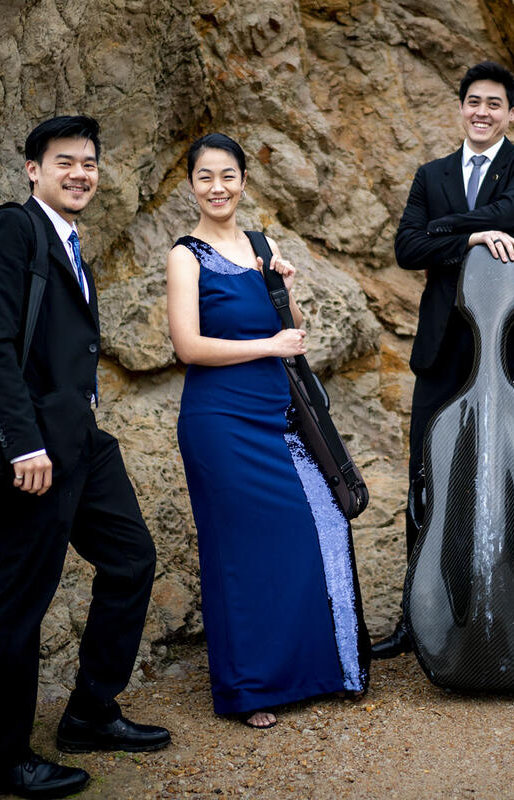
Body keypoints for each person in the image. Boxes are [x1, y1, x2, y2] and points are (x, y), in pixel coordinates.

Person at [0, 115, 170, 798]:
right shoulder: (12, 230)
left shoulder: (70, 239)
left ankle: (89, 711)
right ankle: (2, 760)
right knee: (22, 598)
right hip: (37, 448)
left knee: (131, 558)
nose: (80, 173)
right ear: (33, 169)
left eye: (89, 163)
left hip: (83, 439)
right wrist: (22, 442)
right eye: (65, 162)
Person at [165, 133, 370, 729]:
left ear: (244, 181)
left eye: (227, 175)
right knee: (240, 556)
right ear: (192, 186)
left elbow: (295, 331)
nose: (217, 187)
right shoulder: (187, 254)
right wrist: (267, 345)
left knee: (321, 523)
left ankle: (320, 671)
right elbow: (188, 346)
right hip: (219, 422)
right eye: (205, 177)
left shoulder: (262, 243)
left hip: (277, 416)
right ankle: (249, 690)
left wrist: (282, 286)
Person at [372, 61, 514, 659]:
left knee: (507, 470)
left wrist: (449, 230)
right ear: (461, 108)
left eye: (493, 104)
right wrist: (476, 237)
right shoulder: (431, 173)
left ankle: (505, 610)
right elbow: (407, 247)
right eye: (472, 102)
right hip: (442, 344)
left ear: (512, 112)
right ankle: (419, 616)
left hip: (509, 339)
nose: (482, 112)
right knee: (427, 475)